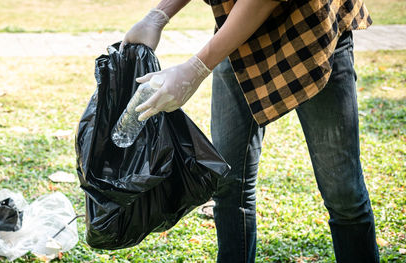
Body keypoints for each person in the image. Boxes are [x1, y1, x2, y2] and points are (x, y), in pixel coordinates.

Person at [120, 0, 379, 262]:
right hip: (239, 37)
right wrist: (159, 15)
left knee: (343, 193)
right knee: (229, 185)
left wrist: (195, 69)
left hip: (308, 31)